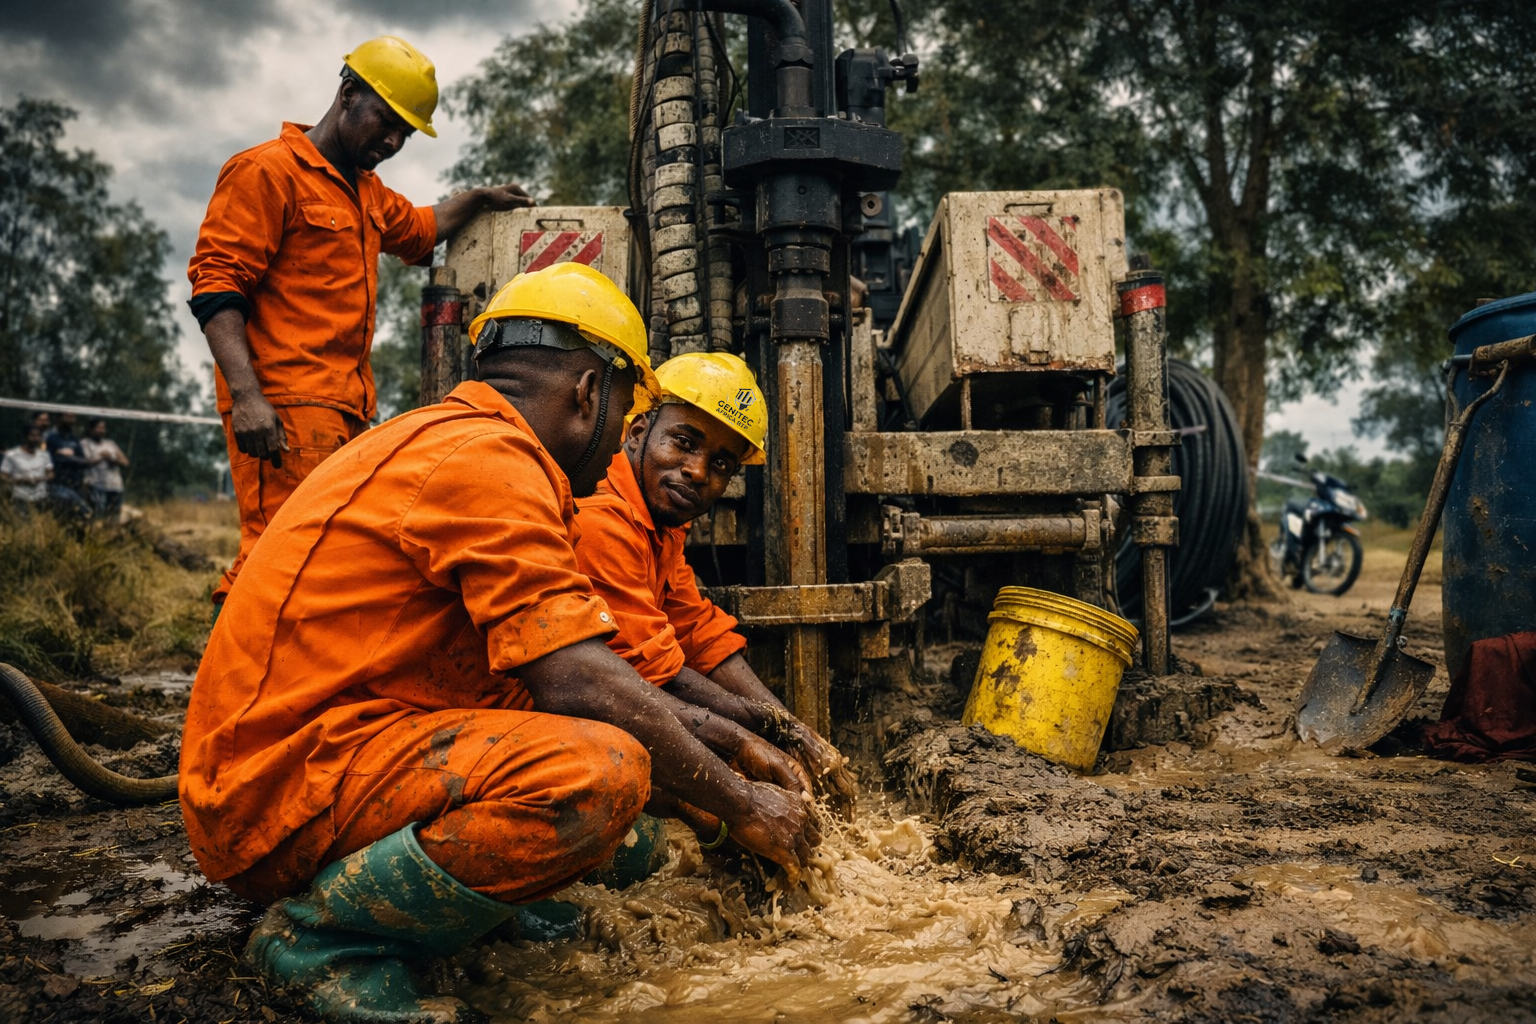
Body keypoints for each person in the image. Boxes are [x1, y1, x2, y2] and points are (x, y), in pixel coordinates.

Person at [180, 263, 819, 1024]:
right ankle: (322, 942)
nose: (624, 436)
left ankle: (466, 904)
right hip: (269, 794)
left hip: (317, 749)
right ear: (590, 393)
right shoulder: (488, 462)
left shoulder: (456, 442)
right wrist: (743, 802)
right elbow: (581, 681)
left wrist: (739, 746)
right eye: (628, 411)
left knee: (614, 777)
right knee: (600, 771)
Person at [188, 35, 538, 617]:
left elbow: (422, 229)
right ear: (348, 94)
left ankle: (276, 671)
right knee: (278, 558)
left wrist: (477, 197)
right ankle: (229, 670)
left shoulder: (367, 192)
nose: (394, 141)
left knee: (322, 561)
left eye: (406, 133)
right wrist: (248, 398)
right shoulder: (267, 172)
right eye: (388, 122)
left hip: (347, 410)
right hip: (285, 407)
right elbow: (217, 286)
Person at [574, 352, 857, 813]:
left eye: (721, 464)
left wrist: (790, 727)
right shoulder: (603, 518)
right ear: (638, 430)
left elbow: (698, 632)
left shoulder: (658, 524)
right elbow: (652, 673)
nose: (698, 471)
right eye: (684, 442)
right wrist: (774, 733)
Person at [42, 412, 93, 520]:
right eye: (68, 417)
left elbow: (84, 461)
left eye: (73, 417)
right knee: (62, 511)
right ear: (59, 418)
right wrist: (67, 458)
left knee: (79, 515)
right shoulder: (50, 437)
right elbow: (48, 458)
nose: (71, 420)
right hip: (56, 483)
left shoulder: (74, 439)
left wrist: (68, 457)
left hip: (75, 483)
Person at [80, 418, 129, 520]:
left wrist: (109, 457)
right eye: (99, 428)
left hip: (116, 485)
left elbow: (125, 462)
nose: (102, 431)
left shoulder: (110, 443)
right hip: (96, 485)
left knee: (114, 517)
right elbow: (86, 461)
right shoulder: (85, 443)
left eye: (103, 428)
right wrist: (102, 457)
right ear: (91, 429)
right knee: (98, 516)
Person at [1, 424, 53, 514]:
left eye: (38, 436)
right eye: (32, 436)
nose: (35, 439)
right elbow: (3, 476)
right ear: (25, 437)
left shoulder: (45, 455)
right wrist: (20, 480)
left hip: (40, 496)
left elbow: (51, 474)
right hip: (20, 496)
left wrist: (40, 478)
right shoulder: (12, 455)